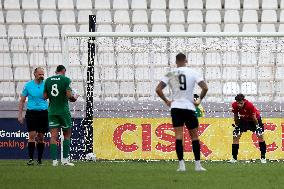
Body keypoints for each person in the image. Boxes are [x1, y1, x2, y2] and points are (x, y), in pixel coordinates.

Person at [156, 53, 208, 172]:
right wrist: (199, 100)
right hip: (189, 107)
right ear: (186, 61)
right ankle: (198, 165)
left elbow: (158, 89)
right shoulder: (193, 72)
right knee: (194, 136)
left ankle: (181, 165)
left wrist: (167, 101)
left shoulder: (170, 73)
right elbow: (205, 87)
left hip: (176, 107)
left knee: (178, 136)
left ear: (176, 61)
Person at [44, 65, 78, 166]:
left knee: (53, 137)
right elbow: (69, 96)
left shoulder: (48, 80)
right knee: (66, 135)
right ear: (63, 71)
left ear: (56, 71)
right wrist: (74, 97)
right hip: (63, 111)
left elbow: (44, 96)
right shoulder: (65, 80)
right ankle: (65, 160)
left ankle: (54, 161)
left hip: (52, 111)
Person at [18, 67, 48, 165]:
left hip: (43, 113)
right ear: (35, 74)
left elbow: (50, 98)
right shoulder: (28, 85)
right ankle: (31, 159)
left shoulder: (46, 85)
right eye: (40, 74)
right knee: (32, 135)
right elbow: (22, 100)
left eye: (43, 74)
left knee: (41, 137)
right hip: (31, 113)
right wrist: (20, 115)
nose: (42, 76)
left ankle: (39, 160)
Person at [229, 93, 267, 163]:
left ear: (244, 101)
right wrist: (237, 126)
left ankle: (263, 157)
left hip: (255, 120)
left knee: (260, 136)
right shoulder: (234, 105)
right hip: (244, 120)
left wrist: (257, 127)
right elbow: (236, 116)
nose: (239, 105)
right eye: (238, 103)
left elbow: (254, 117)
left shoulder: (249, 105)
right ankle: (234, 158)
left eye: (241, 103)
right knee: (235, 137)